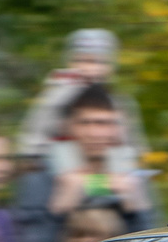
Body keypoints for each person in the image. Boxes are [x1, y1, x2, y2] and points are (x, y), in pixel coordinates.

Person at [19, 29, 155, 196]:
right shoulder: (58, 94)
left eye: (99, 62)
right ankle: (99, 192)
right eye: (82, 61)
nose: (90, 69)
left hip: (108, 169)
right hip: (63, 171)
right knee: (62, 149)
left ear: (110, 67)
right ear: (70, 63)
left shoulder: (119, 103)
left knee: (124, 161)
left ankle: (109, 193)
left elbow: (133, 146)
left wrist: (133, 163)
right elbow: (34, 138)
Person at [48, 87, 156, 230]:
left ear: (119, 130)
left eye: (103, 123)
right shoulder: (44, 172)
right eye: (85, 123)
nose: (94, 133)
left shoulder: (130, 169)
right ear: (68, 127)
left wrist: (135, 206)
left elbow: (148, 235)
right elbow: (34, 241)